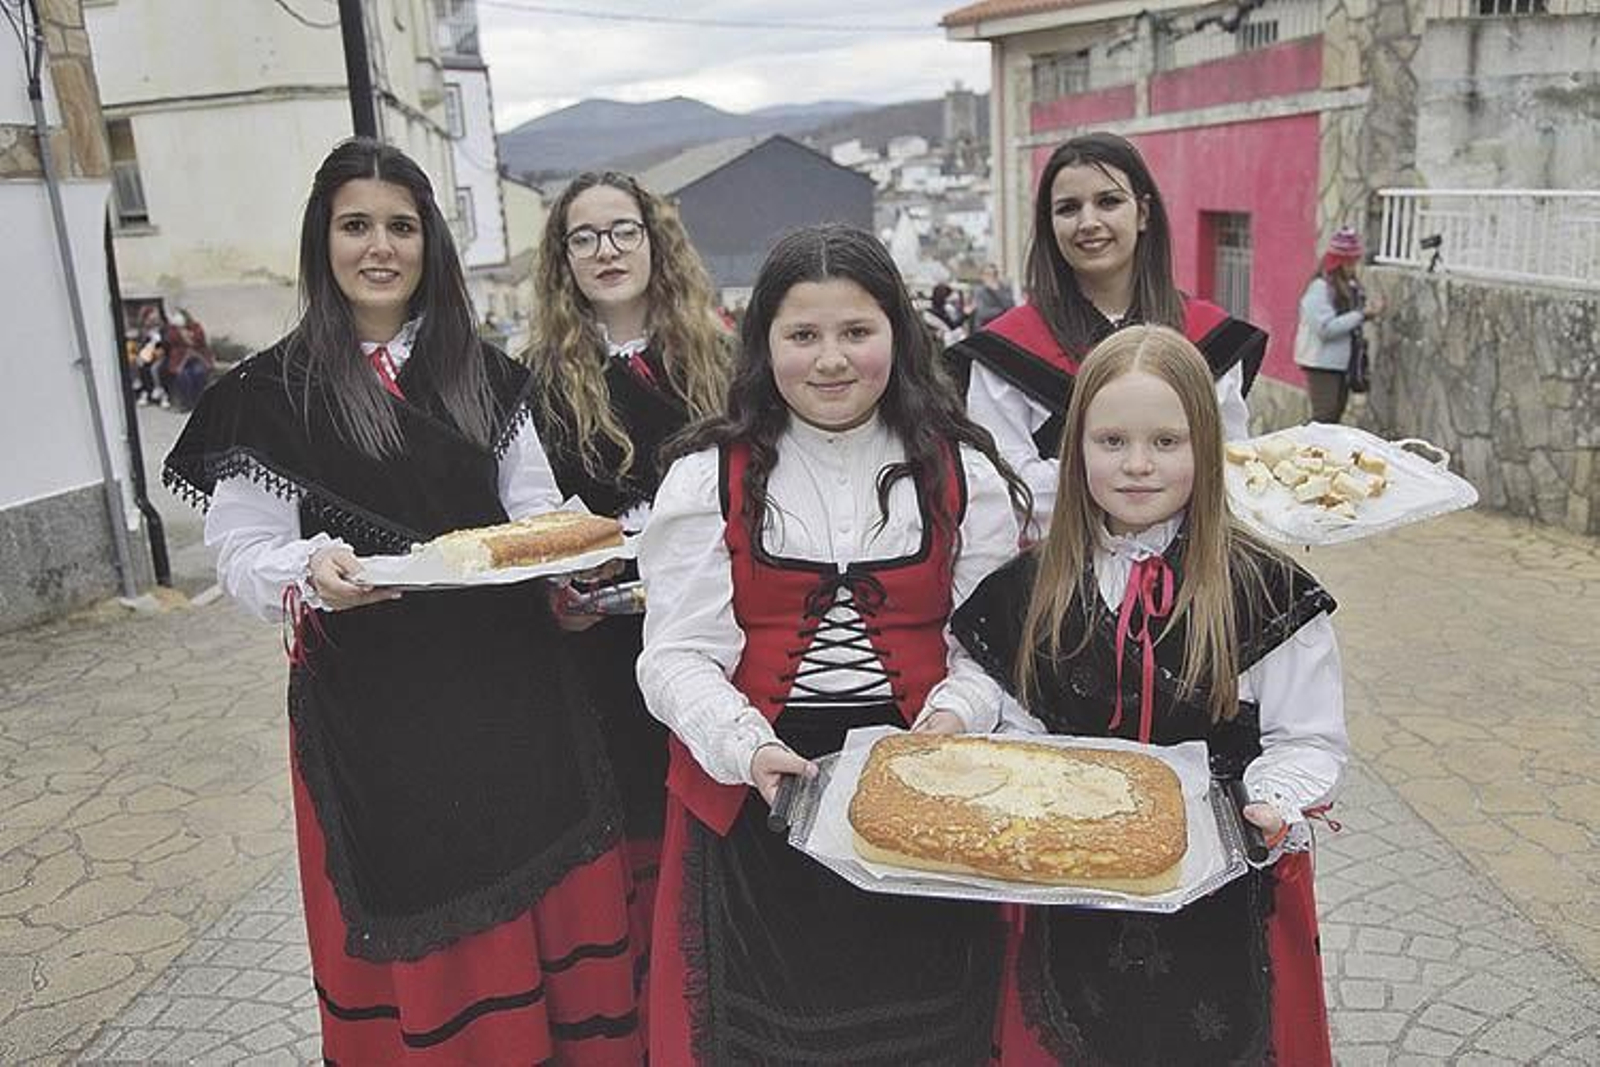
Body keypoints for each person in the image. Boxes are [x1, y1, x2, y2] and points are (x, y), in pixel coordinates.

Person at [163, 138, 644, 1064]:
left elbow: (533, 513)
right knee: (422, 918)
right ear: (321, 241)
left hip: (513, 697)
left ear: (430, 243)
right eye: (355, 226)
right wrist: (310, 568)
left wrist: (567, 571)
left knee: (541, 914)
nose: (378, 246)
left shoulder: (488, 375)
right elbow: (239, 551)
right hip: (373, 712)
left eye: (401, 225)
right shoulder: (267, 393)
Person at [636, 224, 1033, 1064]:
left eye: (856, 332)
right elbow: (673, 653)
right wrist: (747, 746)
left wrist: (957, 713)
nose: (831, 360)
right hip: (759, 802)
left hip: (927, 794)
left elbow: (993, 649)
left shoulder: (963, 471)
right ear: (764, 343)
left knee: (932, 1032)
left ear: (898, 331)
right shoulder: (708, 475)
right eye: (803, 335)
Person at [949, 325, 1347, 1066]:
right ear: (1076, 451)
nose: (1137, 464)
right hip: (1069, 900)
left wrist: (1274, 800)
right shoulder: (1031, 589)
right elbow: (1014, 712)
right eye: (1111, 441)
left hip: (1226, 895)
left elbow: (1307, 738)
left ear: (1206, 445)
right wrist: (966, 720)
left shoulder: (1263, 590)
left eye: (1166, 441)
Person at [524, 169, 732, 970]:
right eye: (584, 236)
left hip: (717, 629)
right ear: (562, 260)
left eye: (623, 230)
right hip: (607, 648)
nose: (605, 250)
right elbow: (533, 518)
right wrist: (557, 592)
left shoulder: (721, 355)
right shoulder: (538, 382)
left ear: (656, 242)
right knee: (636, 846)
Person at [945, 131, 1267, 532]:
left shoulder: (1208, 338)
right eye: (1068, 208)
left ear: (1143, 213)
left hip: (1190, 568)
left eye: (1109, 202)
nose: (1089, 222)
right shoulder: (1005, 351)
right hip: (1057, 574)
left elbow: (1228, 464)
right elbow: (1005, 486)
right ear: (1050, 224)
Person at [1297, 226, 1383, 424]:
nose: (1354, 266)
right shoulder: (1320, 288)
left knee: (1333, 419)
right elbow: (1325, 329)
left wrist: (1366, 313)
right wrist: (1361, 314)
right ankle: (1306, 453)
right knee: (1323, 420)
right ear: (1339, 262)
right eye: (1351, 262)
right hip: (1321, 364)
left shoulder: (1349, 287)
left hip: (1342, 365)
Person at [970, 262, 1015, 331]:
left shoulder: (1005, 289)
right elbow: (983, 313)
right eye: (988, 274)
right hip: (986, 329)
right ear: (982, 276)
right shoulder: (979, 291)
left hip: (1003, 328)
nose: (992, 277)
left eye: (995, 274)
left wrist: (997, 291)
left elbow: (1011, 307)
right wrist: (1003, 311)